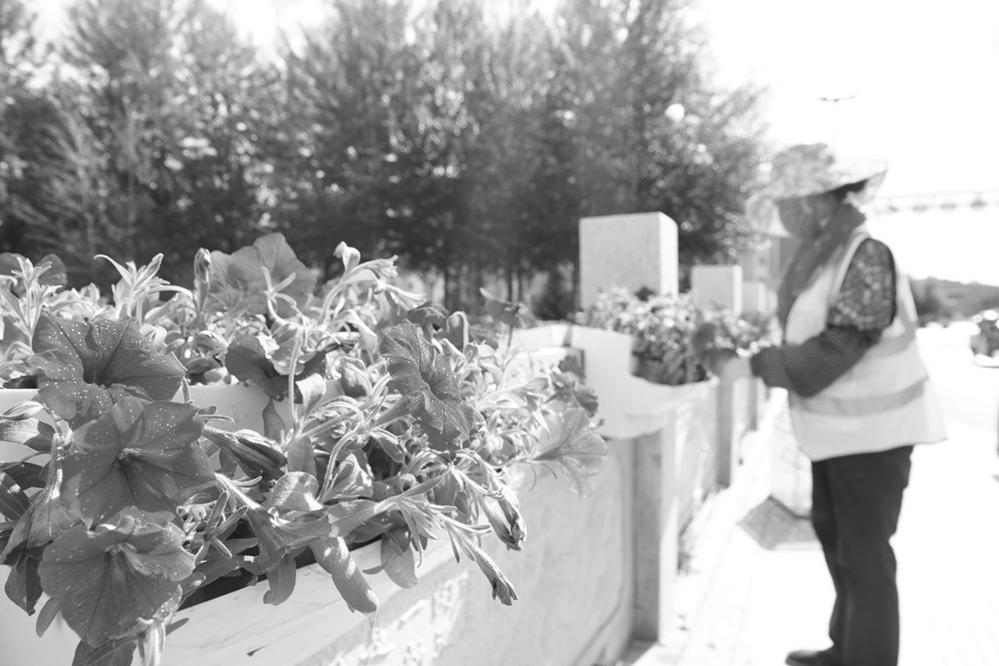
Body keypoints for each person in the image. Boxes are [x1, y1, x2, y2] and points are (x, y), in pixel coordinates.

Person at [710, 143, 947, 666]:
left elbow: (833, 352)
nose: (785, 214)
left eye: (789, 202)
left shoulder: (865, 253)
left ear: (818, 199)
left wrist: (755, 365)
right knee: (841, 544)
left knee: (865, 557)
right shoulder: (827, 255)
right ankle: (847, 648)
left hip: (875, 440)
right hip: (840, 438)